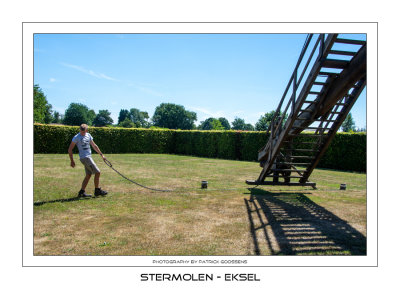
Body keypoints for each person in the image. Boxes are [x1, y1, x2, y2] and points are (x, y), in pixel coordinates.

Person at [68, 124, 108, 197]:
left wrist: (101, 155)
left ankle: (82, 192)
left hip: (89, 157)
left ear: (86, 130)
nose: (82, 133)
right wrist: (72, 160)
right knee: (98, 172)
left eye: (84, 132)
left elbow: (94, 146)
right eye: (81, 131)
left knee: (88, 175)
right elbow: (70, 149)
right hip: (85, 158)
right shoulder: (76, 137)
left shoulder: (88, 135)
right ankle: (97, 190)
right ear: (79, 130)